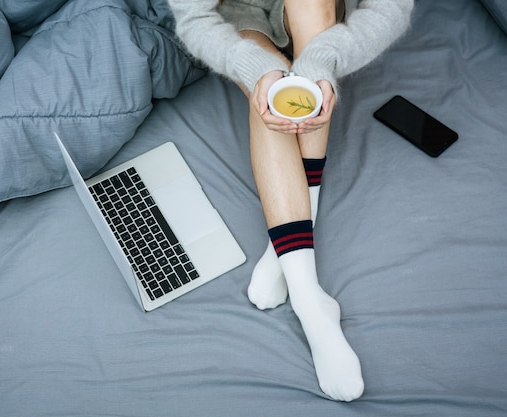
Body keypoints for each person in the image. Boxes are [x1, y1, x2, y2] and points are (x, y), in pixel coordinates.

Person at [167, 0, 414, 402]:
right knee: (266, 86)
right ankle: (307, 295)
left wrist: (325, 61)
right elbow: (194, 16)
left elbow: (392, 9)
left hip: (318, 16)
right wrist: (252, 67)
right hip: (241, 16)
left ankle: (291, 267)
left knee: (311, 15)